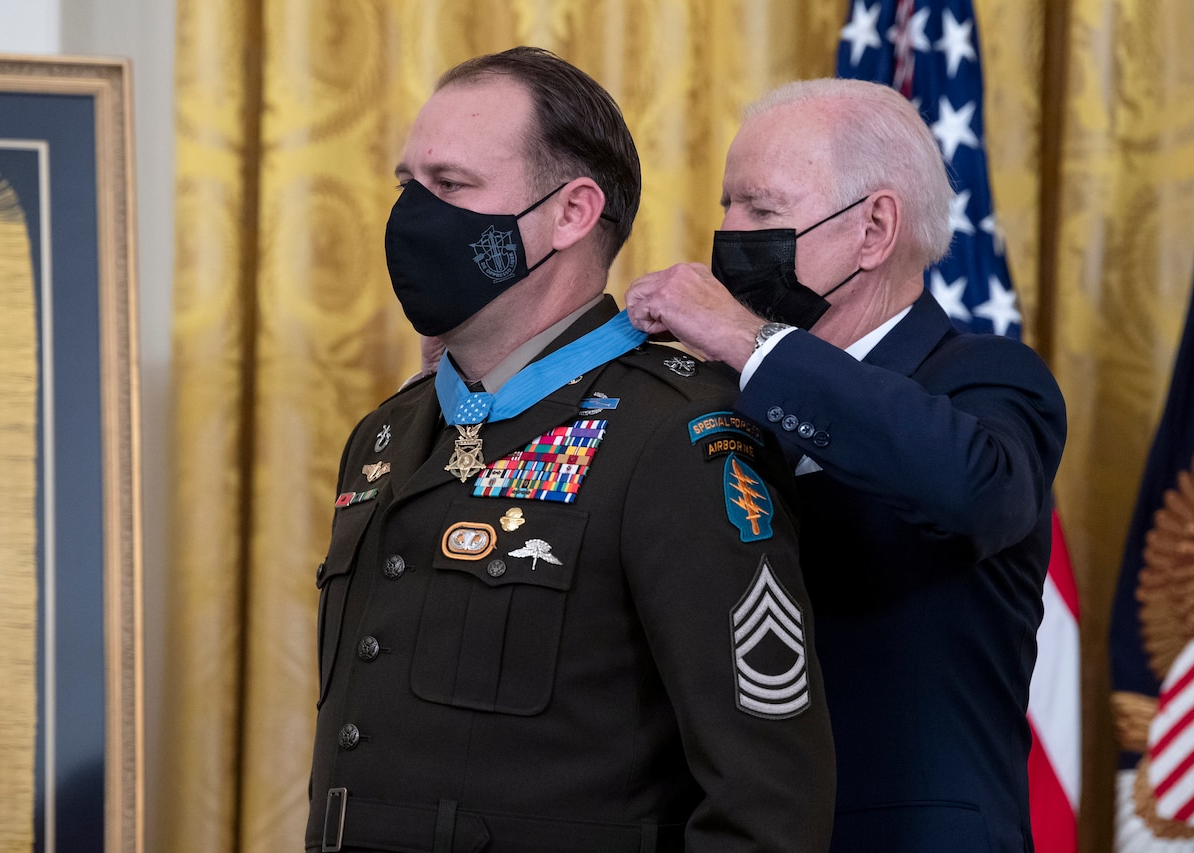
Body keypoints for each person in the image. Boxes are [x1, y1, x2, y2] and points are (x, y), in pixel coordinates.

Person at [306, 47, 836, 853]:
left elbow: (765, 798)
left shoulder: (677, 435)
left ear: (572, 212)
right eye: (408, 184)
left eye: (451, 187)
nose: (414, 213)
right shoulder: (385, 435)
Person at [626, 77, 1068, 853]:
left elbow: (976, 488)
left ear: (874, 229)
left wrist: (750, 341)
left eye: (761, 210)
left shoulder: (985, 378)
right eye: (727, 206)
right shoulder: (710, 398)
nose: (729, 234)